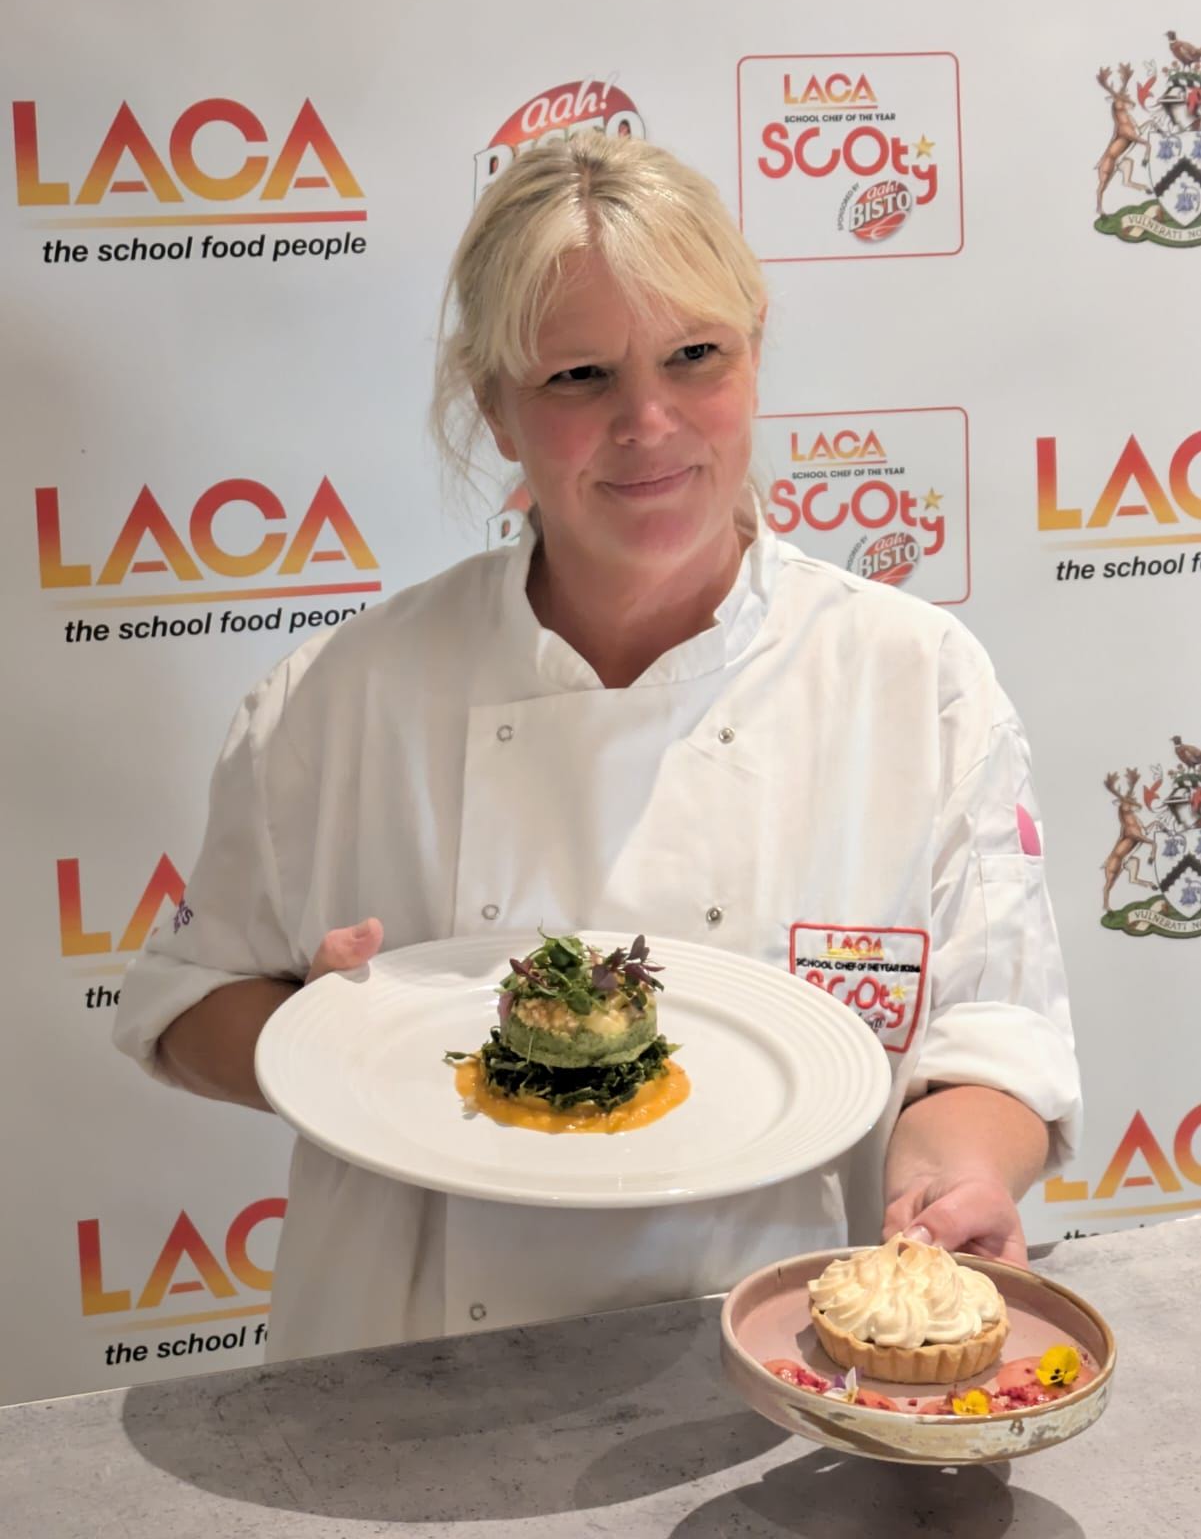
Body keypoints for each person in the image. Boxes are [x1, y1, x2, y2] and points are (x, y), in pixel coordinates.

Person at [114, 131, 1081, 1364]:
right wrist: (326, 1035)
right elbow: (191, 1001)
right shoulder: (342, 696)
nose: (649, 421)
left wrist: (954, 1181)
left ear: (753, 349)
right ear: (494, 407)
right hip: (404, 1377)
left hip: (777, 1370)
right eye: (578, 377)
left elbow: (992, 1049)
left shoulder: (915, 684)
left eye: (695, 356)